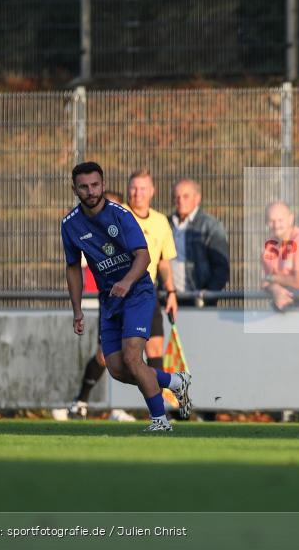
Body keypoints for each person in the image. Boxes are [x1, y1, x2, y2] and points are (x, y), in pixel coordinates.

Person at [61, 162, 192, 431]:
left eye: (95, 185)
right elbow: (73, 267)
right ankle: (174, 382)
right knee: (117, 368)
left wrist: (126, 281)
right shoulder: (70, 224)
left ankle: (160, 421)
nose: (91, 191)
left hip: (138, 293)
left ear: (103, 184)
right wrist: (77, 310)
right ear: (74, 189)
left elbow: (143, 256)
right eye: (84, 187)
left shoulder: (121, 215)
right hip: (110, 300)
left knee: (134, 358)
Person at [56, 191, 137, 421]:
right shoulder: (86, 230)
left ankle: (129, 406)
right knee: (106, 355)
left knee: (134, 354)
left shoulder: (130, 229)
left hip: (136, 298)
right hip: (109, 299)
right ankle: (81, 402)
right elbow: (77, 264)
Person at [126, 169, 179, 372]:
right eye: (134, 187)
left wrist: (171, 292)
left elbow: (163, 262)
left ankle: (155, 403)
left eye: (142, 188)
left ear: (152, 191)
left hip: (147, 293)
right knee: (107, 356)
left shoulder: (160, 221)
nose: (137, 193)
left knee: (155, 349)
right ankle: (80, 400)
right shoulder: (117, 215)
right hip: (119, 294)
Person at [169, 178, 230, 307]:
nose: (180, 201)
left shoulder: (211, 225)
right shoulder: (165, 223)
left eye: (186, 196)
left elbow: (221, 267)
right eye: (177, 197)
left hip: (198, 300)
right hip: (169, 298)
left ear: (197, 199)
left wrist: (207, 296)